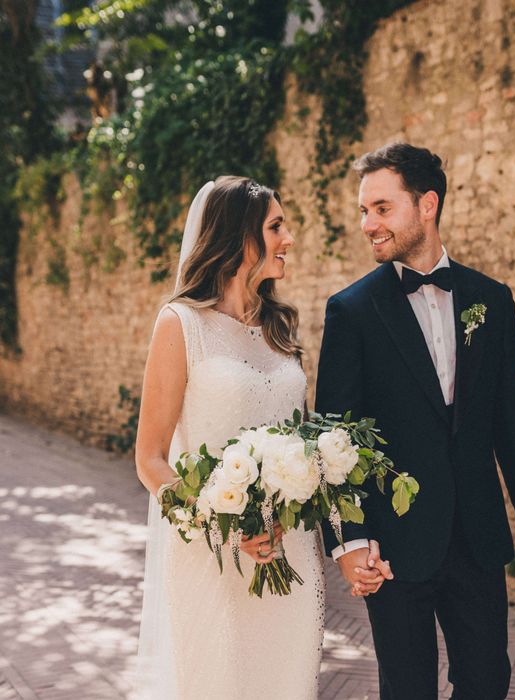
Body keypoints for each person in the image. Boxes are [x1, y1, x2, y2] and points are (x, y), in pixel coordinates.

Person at [315, 143, 515, 700]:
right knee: (407, 688)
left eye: (381, 208)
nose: (367, 224)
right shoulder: (351, 311)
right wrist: (350, 539)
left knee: (488, 681)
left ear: (427, 205)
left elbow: (512, 421)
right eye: (362, 211)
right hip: (393, 546)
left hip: (476, 535)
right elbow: (337, 436)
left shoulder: (491, 300)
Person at [134, 176, 324, 699]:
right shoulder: (181, 324)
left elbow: (299, 437)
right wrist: (222, 525)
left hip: (290, 550)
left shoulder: (279, 325)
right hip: (211, 555)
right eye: (276, 227)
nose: (288, 239)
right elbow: (150, 459)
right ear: (241, 237)